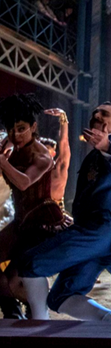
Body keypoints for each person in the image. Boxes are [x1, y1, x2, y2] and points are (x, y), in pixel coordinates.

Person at [17, 102, 111, 321]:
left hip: (99, 231)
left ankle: (38, 326)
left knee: (30, 263)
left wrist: (106, 146)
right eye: (95, 113)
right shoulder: (91, 157)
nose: (97, 115)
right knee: (60, 296)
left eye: (104, 113)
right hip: (97, 234)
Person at [0, 94, 61, 319]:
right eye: (11, 129)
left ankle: (33, 308)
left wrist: (3, 162)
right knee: (7, 282)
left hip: (41, 223)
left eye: (21, 129)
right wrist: (7, 145)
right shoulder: (13, 145)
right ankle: (13, 309)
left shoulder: (42, 156)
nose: (16, 135)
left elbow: (24, 182)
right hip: (21, 222)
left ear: (33, 127)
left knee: (12, 280)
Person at [41, 108, 71, 212]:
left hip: (57, 212)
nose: (43, 152)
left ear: (53, 153)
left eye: (47, 149)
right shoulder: (32, 169)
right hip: (36, 212)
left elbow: (64, 141)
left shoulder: (59, 167)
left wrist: (63, 117)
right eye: (41, 149)